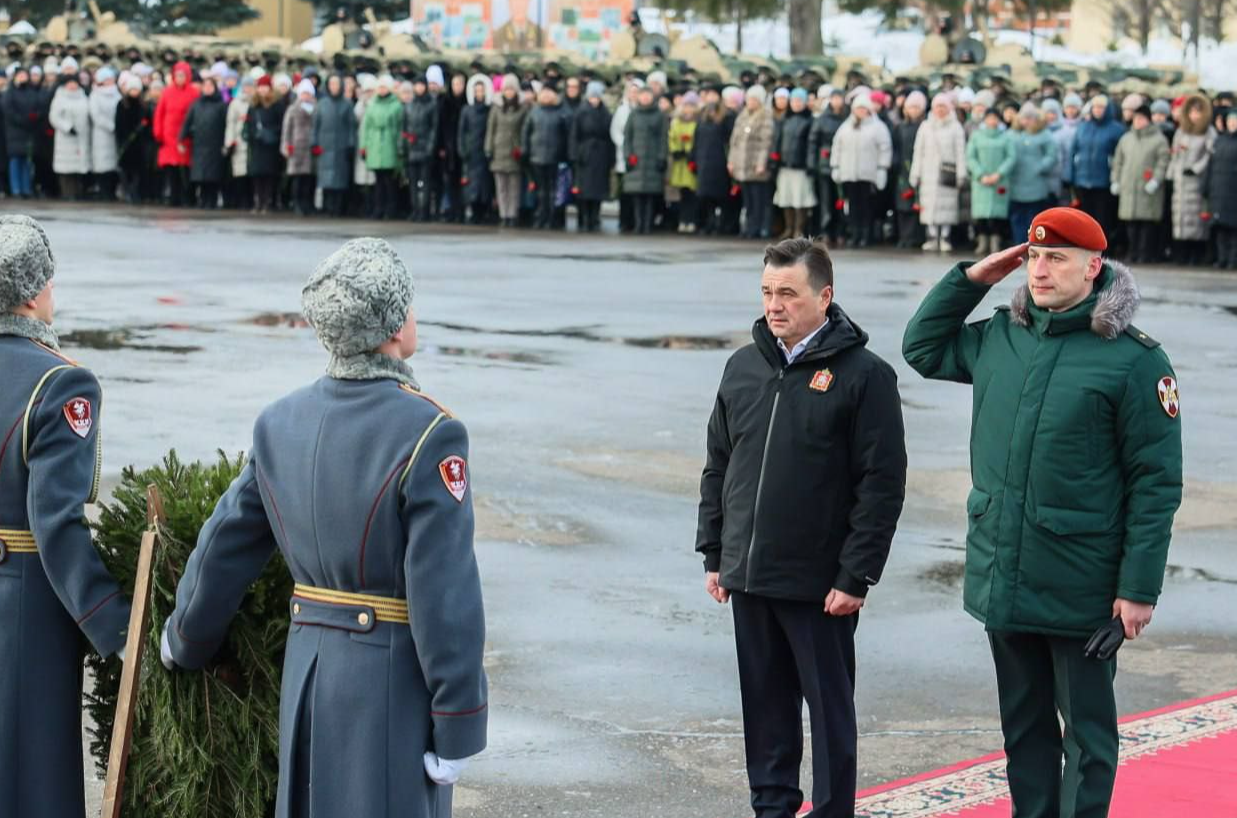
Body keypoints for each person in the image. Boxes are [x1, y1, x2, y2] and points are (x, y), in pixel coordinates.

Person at [161, 237, 488, 818]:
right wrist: (458, 720)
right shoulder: (429, 432)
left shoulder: (279, 422)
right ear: (391, 328)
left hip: (307, 673)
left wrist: (184, 638)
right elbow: (444, 594)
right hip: (391, 687)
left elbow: (226, 544)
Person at [902, 208, 1182, 818]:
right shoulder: (1002, 334)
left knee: (1087, 736)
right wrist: (973, 278)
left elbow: (1156, 484)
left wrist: (1138, 590)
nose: (1040, 269)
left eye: (1057, 257)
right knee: (1024, 729)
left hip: (1080, 582)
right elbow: (920, 347)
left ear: (1094, 266)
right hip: (1005, 569)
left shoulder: (1134, 361)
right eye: (1032, 257)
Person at [697, 237, 906, 818]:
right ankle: (772, 807)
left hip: (821, 584)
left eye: (788, 292)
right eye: (767, 291)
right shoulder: (743, 367)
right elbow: (719, 465)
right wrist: (714, 552)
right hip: (749, 573)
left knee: (829, 709)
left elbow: (881, 486)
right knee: (764, 708)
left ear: (825, 295)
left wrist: (857, 574)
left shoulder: (865, 377)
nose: (774, 304)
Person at [0, 214, 133, 818]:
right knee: (35, 770)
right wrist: (113, 627)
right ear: (32, 293)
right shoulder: (58, 383)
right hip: (25, 603)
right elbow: (55, 525)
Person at [830, 93, 891, 249]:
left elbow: (885, 149)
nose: (861, 111)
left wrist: (882, 169)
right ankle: (855, 234)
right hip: (849, 174)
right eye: (858, 108)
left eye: (864, 108)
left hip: (868, 174)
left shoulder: (878, 127)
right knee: (852, 207)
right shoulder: (845, 127)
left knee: (867, 207)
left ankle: (866, 235)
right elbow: (837, 148)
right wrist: (835, 166)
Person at [1112, 104, 1170, 263]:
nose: (1137, 121)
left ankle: (1145, 253)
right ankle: (1133, 252)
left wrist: (1156, 180)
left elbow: (1163, 162)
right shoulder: (1126, 138)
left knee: (1146, 223)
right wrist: (1115, 180)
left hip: (1147, 187)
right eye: (1136, 118)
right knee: (1130, 223)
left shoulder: (1159, 140)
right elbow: (1118, 161)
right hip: (1129, 187)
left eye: (1141, 118)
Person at [910, 93, 967, 252]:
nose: (940, 110)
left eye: (943, 106)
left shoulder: (956, 127)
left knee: (947, 206)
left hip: (948, 171)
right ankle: (932, 236)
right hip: (928, 171)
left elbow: (960, 152)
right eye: (937, 106)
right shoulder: (925, 126)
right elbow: (918, 151)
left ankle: (945, 237)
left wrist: (961, 173)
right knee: (928, 206)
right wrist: (916, 172)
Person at [1168, 94, 1215, 265]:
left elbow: (1209, 155)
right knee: (1179, 218)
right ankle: (1182, 253)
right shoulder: (1181, 131)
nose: (1194, 116)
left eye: (1198, 112)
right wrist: (1170, 174)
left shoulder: (1209, 132)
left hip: (1196, 181)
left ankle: (1196, 255)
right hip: (1180, 181)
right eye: (1192, 112)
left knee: (1195, 219)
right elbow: (1174, 154)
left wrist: (1196, 169)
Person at [1069, 95, 1124, 242]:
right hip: (1083, 179)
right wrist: (1071, 176)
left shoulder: (1117, 129)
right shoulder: (1083, 127)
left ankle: (1102, 246)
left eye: (1101, 107)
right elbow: (1074, 151)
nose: (1098, 110)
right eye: (1095, 107)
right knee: (1084, 217)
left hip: (1104, 181)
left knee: (1103, 218)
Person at [1007, 103, 1059, 249]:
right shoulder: (1011, 134)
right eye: (1024, 118)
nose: (1027, 121)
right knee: (1017, 217)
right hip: (1016, 182)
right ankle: (1018, 246)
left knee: (1033, 218)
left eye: (1030, 118)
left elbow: (1052, 156)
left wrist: (1040, 167)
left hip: (1036, 184)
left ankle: (1032, 245)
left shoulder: (1044, 135)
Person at [967, 107, 1016, 254]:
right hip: (980, 181)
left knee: (998, 215)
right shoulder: (976, 136)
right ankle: (982, 242)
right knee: (980, 215)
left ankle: (996, 242)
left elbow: (1011, 157)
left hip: (999, 181)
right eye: (989, 117)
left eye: (995, 118)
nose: (992, 121)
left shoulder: (1005, 137)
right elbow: (970, 157)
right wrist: (980, 174)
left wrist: (999, 174)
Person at [730, 85, 775, 240]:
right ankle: (748, 226)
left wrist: (761, 163)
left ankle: (758, 227)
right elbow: (734, 142)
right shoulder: (742, 116)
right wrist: (731, 161)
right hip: (742, 165)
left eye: (754, 99)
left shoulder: (766, 117)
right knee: (747, 200)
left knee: (759, 200)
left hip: (756, 165)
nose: (750, 102)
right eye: (749, 99)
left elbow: (766, 143)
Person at [623, 84, 668, 235]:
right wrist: (628, 156)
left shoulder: (660, 115)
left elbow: (663, 138)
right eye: (643, 95)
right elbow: (627, 137)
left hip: (653, 159)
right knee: (637, 196)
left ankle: (648, 225)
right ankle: (638, 224)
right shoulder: (633, 114)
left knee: (650, 196)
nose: (645, 98)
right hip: (636, 159)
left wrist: (662, 157)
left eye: (648, 95)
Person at [522, 85, 569, 230]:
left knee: (553, 190)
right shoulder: (534, 112)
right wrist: (525, 150)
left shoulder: (561, 112)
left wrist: (564, 154)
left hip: (554, 157)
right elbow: (526, 132)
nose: (547, 96)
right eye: (544, 93)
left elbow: (565, 136)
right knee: (540, 190)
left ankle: (552, 217)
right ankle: (540, 216)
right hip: (536, 157)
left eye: (550, 93)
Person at [569, 80, 613, 233]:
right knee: (583, 190)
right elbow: (574, 135)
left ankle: (595, 218)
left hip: (601, 154)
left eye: (597, 97)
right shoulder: (580, 112)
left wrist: (610, 156)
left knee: (598, 190)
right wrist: (574, 154)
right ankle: (583, 218)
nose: (595, 100)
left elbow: (609, 135)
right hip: (584, 154)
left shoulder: (606, 113)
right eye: (592, 97)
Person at [152, 61, 199, 206]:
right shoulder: (167, 92)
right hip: (168, 137)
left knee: (185, 170)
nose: (180, 78)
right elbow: (159, 114)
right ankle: (173, 197)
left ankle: (187, 198)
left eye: (182, 75)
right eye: (177, 75)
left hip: (185, 138)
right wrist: (158, 134)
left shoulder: (194, 93)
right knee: (171, 170)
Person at [772, 88, 816, 239]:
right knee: (786, 198)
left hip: (801, 166)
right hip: (785, 165)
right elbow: (777, 141)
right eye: (793, 101)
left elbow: (811, 144)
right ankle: (788, 228)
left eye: (799, 101)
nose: (796, 104)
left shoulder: (810, 120)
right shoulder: (785, 119)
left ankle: (799, 229)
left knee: (800, 199)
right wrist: (775, 159)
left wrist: (810, 164)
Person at [485, 73, 528, 228]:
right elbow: (491, 129)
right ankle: (503, 215)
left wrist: (522, 148)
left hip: (514, 151)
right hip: (498, 150)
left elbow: (524, 130)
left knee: (514, 187)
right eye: (506, 89)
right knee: (501, 187)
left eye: (511, 89)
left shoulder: (523, 108)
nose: (509, 92)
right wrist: (488, 149)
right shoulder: (496, 107)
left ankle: (512, 214)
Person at [180, 75, 228, 209]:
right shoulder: (196, 104)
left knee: (213, 176)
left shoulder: (221, 105)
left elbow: (226, 124)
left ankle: (211, 201)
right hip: (199, 144)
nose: (207, 88)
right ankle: (202, 200)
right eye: (205, 86)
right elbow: (187, 122)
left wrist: (226, 142)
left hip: (215, 144)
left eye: (210, 86)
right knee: (200, 175)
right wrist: (181, 138)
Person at [693, 85, 735, 236]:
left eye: (713, 94)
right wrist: (694, 159)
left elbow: (731, 140)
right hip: (704, 161)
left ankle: (722, 225)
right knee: (705, 197)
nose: (710, 97)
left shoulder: (727, 117)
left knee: (721, 197)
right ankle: (708, 224)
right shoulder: (702, 116)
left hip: (720, 162)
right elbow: (696, 139)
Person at [808, 88, 848, 243]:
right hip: (824, 163)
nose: (837, 101)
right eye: (835, 98)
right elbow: (813, 142)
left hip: (843, 164)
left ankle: (841, 230)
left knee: (841, 200)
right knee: (826, 200)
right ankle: (826, 229)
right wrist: (812, 163)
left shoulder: (848, 117)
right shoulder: (822, 119)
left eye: (840, 98)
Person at [314, 74, 357, 218]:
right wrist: (314, 143)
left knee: (339, 179)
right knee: (325, 179)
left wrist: (351, 144)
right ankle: (327, 207)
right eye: (331, 84)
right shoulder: (321, 104)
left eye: (337, 84)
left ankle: (338, 209)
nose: (334, 87)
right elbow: (315, 126)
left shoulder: (347, 104)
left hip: (341, 145)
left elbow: (351, 126)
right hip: (324, 145)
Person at [361, 74, 402, 220]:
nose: (382, 89)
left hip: (389, 145)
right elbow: (366, 127)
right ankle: (378, 208)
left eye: (384, 86)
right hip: (375, 145)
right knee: (378, 182)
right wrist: (364, 146)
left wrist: (399, 147)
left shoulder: (396, 105)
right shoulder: (372, 104)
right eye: (380, 87)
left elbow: (399, 128)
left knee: (389, 181)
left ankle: (391, 209)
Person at [245, 75, 286, 214]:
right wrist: (252, 135)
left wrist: (270, 133)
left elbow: (281, 124)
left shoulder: (277, 104)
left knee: (269, 175)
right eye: (260, 87)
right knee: (256, 175)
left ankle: (267, 202)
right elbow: (248, 124)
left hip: (271, 145)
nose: (262, 90)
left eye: (265, 87)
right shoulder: (254, 105)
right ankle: (258, 201)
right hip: (257, 145)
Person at [457, 74, 494, 225]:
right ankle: (473, 210)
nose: (479, 93)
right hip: (471, 151)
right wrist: (462, 148)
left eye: (482, 90)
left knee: (485, 184)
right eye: (477, 90)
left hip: (485, 151)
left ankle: (485, 210)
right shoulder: (467, 110)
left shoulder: (490, 109)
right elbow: (461, 131)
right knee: (471, 184)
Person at [48, 73, 91, 201]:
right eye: (70, 83)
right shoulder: (60, 97)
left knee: (78, 167)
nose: (73, 85)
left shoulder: (83, 96)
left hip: (81, 137)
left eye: (75, 82)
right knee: (66, 168)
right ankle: (67, 193)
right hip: (65, 137)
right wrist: (67, 127)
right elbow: (54, 117)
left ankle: (78, 193)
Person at [403, 75, 439, 222]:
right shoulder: (409, 105)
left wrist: (430, 148)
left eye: (421, 85)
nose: (419, 88)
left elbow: (433, 129)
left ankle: (424, 211)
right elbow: (404, 128)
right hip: (412, 149)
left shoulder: (431, 104)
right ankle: (415, 209)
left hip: (425, 148)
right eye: (416, 85)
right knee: (412, 183)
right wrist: (404, 145)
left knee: (425, 183)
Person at [892, 90, 926, 248]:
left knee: (916, 204)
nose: (913, 111)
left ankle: (915, 237)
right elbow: (895, 147)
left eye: (916, 107)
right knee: (902, 204)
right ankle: (903, 236)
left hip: (919, 168)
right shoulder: (900, 127)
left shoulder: (924, 127)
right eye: (911, 107)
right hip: (903, 170)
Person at [1205, 108, 1237, 269]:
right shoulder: (1219, 140)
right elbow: (1210, 166)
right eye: (1230, 120)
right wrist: (1206, 187)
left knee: (1233, 230)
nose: (1232, 123)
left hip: (1233, 191)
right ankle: (1222, 258)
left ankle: (1233, 260)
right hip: (1218, 190)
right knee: (1220, 228)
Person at [2, 67, 40, 198]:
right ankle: (16, 189)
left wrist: (33, 117)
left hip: (29, 131)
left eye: (25, 75)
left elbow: (37, 107)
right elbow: (8, 110)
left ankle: (27, 189)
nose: (23, 77)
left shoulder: (32, 92)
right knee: (15, 160)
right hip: (14, 131)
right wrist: (22, 120)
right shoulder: (10, 92)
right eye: (21, 75)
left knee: (27, 162)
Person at [114, 75, 152, 204]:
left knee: (139, 172)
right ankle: (129, 192)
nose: (134, 92)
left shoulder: (144, 106)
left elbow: (148, 123)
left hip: (140, 145)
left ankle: (137, 194)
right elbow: (118, 124)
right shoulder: (122, 105)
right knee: (126, 171)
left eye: (136, 89)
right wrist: (122, 140)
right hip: (126, 143)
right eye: (132, 89)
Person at [283, 79, 317, 216]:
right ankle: (296, 203)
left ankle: (307, 204)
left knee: (308, 179)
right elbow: (287, 129)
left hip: (310, 147)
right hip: (296, 147)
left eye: (308, 93)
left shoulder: (316, 108)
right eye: (303, 93)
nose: (305, 96)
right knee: (297, 178)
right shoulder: (292, 109)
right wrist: (287, 145)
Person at [668, 91, 700, 233]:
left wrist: (692, 152)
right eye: (686, 105)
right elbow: (672, 137)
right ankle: (682, 220)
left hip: (691, 161)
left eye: (691, 106)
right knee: (682, 193)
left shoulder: (698, 122)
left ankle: (691, 220)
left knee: (692, 193)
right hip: (680, 162)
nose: (688, 109)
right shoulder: (676, 121)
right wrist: (676, 150)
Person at [88, 66, 121, 201]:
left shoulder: (117, 95)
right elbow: (96, 115)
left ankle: (112, 192)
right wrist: (110, 126)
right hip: (101, 135)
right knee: (102, 165)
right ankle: (104, 192)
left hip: (115, 135)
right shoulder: (95, 95)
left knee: (114, 165)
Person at [224, 76, 255, 210]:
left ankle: (252, 200)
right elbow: (230, 123)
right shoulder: (235, 103)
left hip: (253, 141)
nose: (247, 89)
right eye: (245, 86)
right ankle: (242, 201)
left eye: (250, 86)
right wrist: (229, 141)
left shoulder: (256, 101)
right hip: (239, 140)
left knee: (252, 173)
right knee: (239, 172)